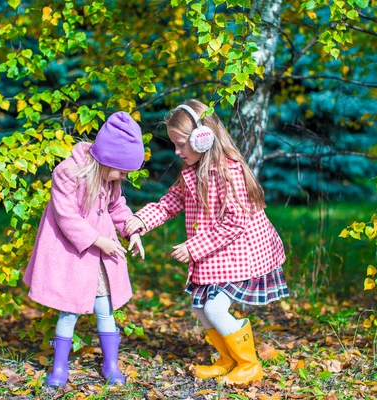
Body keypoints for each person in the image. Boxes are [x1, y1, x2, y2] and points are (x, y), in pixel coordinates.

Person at [125, 99, 288, 386]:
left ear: (203, 139)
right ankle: (227, 359)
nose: (177, 151)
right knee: (200, 308)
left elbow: (236, 222)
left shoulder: (229, 171)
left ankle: (249, 364)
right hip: (218, 254)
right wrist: (142, 220)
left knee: (214, 308)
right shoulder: (191, 172)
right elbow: (170, 202)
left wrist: (193, 247)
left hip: (244, 253)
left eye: (181, 144)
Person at [24, 111, 146, 387]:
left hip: (100, 260)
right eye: (123, 171)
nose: (123, 177)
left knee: (105, 309)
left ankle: (110, 365)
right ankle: (58, 369)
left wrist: (132, 230)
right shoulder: (67, 173)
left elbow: (117, 207)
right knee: (69, 311)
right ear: (107, 158)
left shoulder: (110, 180)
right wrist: (97, 240)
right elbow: (66, 216)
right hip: (74, 256)